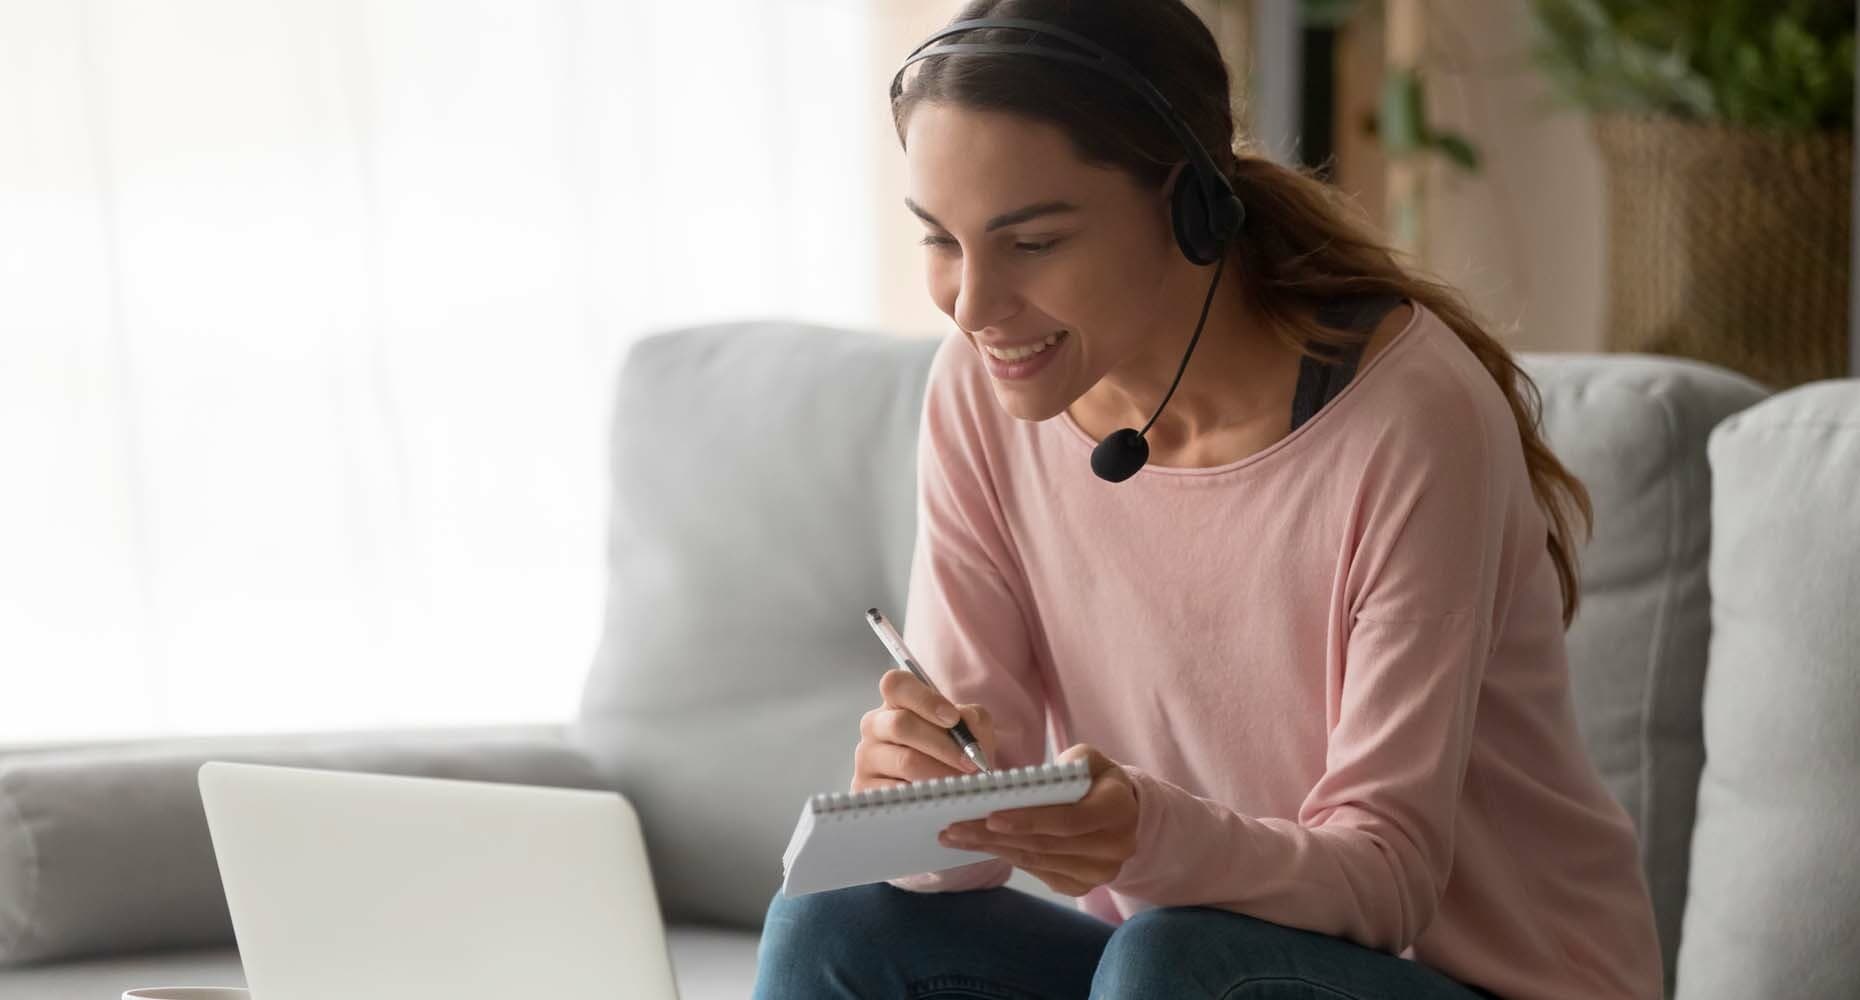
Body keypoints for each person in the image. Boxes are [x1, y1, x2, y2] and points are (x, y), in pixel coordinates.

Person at [752, 2, 1662, 998]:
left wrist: (1143, 831)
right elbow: (969, 846)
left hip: (1481, 981)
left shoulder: (1410, 421)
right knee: (831, 925)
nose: (972, 306)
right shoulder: (979, 393)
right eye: (940, 240)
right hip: (1194, 966)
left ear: (1188, 207)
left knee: (1171, 962)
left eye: (1033, 243)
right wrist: (921, 800)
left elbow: (1387, 880)